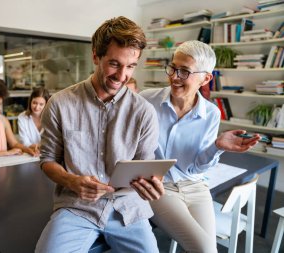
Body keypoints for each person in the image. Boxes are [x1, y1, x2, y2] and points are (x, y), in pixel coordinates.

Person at [36, 16, 164, 253]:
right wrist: (71, 180)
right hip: (77, 206)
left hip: (127, 208)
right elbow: (47, 161)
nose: (122, 75)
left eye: (131, 66)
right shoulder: (60, 104)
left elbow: (145, 167)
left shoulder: (144, 112)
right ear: (95, 55)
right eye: (114, 64)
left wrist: (153, 183)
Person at [140, 40, 260, 252]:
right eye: (173, 68)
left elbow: (196, 168)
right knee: (204, 249)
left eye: (185, 71)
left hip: (196, 187)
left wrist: (217, 147)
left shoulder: (211, 113)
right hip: (160, 188)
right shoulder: (146, 100)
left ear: (206, 78)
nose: (174, 77)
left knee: (209, 250)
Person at [17, 87, 49, 155]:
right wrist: (37, 147)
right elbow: (25, 142)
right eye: (34, 103)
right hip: (30, 154)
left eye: (41, 104)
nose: (37, 107)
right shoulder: (22, 117)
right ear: (30, 101)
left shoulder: (51, 118)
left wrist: (40, 148)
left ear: (46, 104)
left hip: (47, 154)